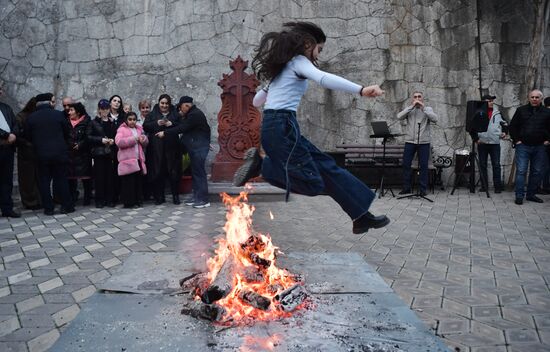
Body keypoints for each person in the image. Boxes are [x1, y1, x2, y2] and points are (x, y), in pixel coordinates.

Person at [232, 22, 389, 234]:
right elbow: (322, 78)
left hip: (278, 126)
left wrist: (272, 87)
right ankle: (262, 166)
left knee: (327, 168)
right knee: (314, 183)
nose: (318, 54)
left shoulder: (283, 69)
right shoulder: (298, 61)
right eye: (319, 49)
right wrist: (361, 90)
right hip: (282, 126)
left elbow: (257, 102)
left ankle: (360, 216)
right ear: (308, 43)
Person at [157, 96, 211, 208]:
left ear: (186, 105)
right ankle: (197, 196)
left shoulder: (194, 115)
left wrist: (165, 133)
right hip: (196, 147)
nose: (180, 111)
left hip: (199, 148)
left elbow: (182, 128)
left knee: (199, 173)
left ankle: (203, 199)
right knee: (195, 173)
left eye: (181, 108)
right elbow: (183, 126)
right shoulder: (191, 114)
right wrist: (172, 124)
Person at [26, 93, 74, 215]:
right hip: (59, 153)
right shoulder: (58, 115)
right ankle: (66, 206)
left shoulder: (31, 118)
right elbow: (67, 132)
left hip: (41, 155)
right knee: (62, 179)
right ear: (48, 103)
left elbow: (27, 136)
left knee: (44, 181)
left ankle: (48, 208)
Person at [509, 89, 550, 204]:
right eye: (532, 97)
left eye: (537, 97)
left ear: (541, 99)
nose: (534, 99)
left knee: (536, 171)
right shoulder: (521, 110)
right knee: (521, 171)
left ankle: (531, 195)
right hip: (523, 146)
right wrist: (516, 140)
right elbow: (512, 127)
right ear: (528, 98)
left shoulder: (547, 113)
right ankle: (519, 196)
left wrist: (548, 140)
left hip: (540, 147)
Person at [397, 91, 438, 196]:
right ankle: (406, 188)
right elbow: (399, 116)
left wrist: (423, 108)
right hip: (410, 142)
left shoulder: (427, 109)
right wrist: (411, 107)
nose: (417, 98)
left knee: (424, 166)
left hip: (424, 142)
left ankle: (422, 189)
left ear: (422, 98)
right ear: (412, 99)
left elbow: (435, 119)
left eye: (419, 96)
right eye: (415, 97)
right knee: (406, 164)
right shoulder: (409, 109)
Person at [143, 94, 182, 205]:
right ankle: (159, 196)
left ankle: (175, 196)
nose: (164, 106)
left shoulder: (175, 114)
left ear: (169, 104)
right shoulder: (152, 114)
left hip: (172, 147)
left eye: (166, 103)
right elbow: (145, 126)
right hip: (157, 147)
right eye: (162, 103)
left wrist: (171, 124)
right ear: (159, 103)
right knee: (157, 172)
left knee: (173, 172)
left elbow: (181, 126)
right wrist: (156, 123)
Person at [469, 94, 506, 193]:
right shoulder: (478, 112)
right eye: (489, 101)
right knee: (482, 165)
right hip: (482, 143)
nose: (491, 102)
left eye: (492, 101)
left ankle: (497, 187)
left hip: (495, 143)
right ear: (484, 103)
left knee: (496, 165)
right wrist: (476, 139)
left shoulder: (498, 113)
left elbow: (505, 124)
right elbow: (471, 127)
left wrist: (505, 132)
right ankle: (484, 186)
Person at [87, 99, 118, 208]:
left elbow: (115, 135)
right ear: (99, 109)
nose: (105, 111)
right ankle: (99, 200)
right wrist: (101, 140)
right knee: (99, 177)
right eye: (102, 109)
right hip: (99, 153)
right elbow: (88, 137)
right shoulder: (93, 122)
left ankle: (109, 199)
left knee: (110, 177)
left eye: (106, 108)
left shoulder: (112, 121)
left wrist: (113, 140)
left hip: (110, 153)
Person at [115, 111, 148, 208]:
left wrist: (144, 139)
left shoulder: (139, 129)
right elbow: (119, 142)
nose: (132, 121)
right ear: (126, 120)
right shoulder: (122, 130)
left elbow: (145, 143)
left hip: (138, 159)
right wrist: (133, 140)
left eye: (134, 119)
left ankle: (138, 200)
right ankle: (129, 202)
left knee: (137, 182)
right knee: (128, 183)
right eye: (130, 119)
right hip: (127, 161)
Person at [15, 97, 41, 210]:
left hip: (35, 151)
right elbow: (18, 134)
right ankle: (30, 202)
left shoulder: (37, 116)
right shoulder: (21, 117)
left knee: (37, 178)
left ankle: (38, 200)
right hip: (26, 152)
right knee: (27, 179)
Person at [0, 82, 21, 218]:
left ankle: (7, 208)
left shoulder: (6, 108)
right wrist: (6, 135)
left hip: (7, 149)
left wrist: (13, 134)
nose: (1, 92)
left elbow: (15, 123)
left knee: (6, 180)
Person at [67, 102, 93, 205]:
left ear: (78, 112)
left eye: (71, 110)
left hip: (83, 154)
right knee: (71, 178)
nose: (69, 112)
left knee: (86, 177)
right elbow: (65, 135)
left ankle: (87, 198)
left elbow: (88, 136)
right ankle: (72, 198)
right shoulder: (66, 122)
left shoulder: (86, 121)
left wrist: (81, 144)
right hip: (70, 153)